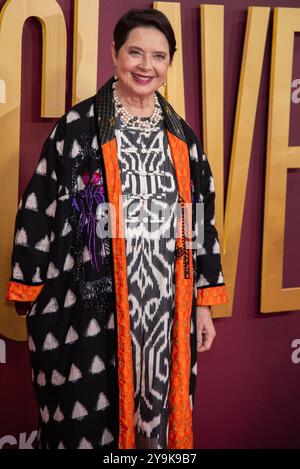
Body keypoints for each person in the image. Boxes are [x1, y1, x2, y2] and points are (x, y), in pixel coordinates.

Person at [6, 8, 228, 449]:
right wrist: (30, 286)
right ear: (114, 53)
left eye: (159, 57)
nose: (146, 66)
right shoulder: (76, 128)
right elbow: (38, 207)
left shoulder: (182, 138)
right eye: (135, 53)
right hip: (92, 309)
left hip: (165, 313)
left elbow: (198, 220)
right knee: (87, 423)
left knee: (157, 430)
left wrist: (203, 303)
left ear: (170, 64)